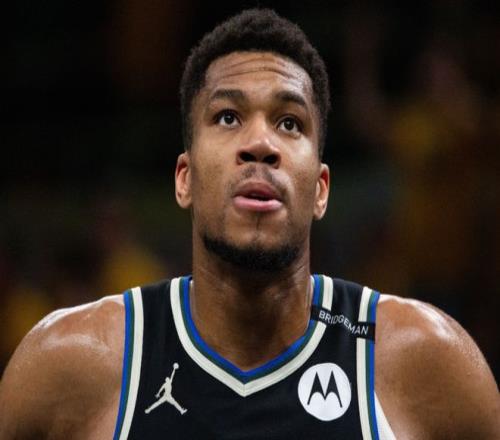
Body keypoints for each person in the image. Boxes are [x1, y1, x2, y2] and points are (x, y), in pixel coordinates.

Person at [0, 9, 498, 440]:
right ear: (185, 178)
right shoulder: (71, 365)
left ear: (320, 189)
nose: (260, 143)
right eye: (227, 117)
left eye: (289, 122)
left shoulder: (426, 362)